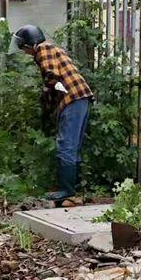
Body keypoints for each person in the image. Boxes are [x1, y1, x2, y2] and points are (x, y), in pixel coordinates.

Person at [9, 24, 93, 202]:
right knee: (73, 145)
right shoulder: (53, 48)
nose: (26, 53)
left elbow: (51, 75)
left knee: (66, 144)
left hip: (72, 98)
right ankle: (73, 188)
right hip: (80, 97)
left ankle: (66, 190)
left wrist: (47, 94)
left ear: (31, 44)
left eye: (25, 49)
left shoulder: (43, 49)